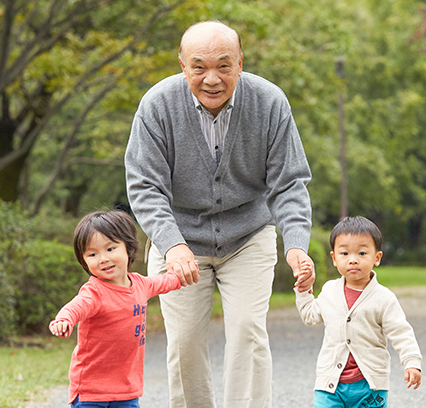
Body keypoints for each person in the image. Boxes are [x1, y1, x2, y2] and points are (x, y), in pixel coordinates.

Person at [124, 20, 315, 408]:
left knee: (248, 332)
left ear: (241, 63)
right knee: (184, 342)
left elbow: (289, 183)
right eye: (199, 66)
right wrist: (172, 245)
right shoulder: (157, 105)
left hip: (248, 235)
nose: (212, 78)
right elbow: (145, 186)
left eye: (224, 66)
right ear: (182, 64)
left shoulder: (270, 102)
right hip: (179, 239)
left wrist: (295, 244)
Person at [48, 210, 183, 408]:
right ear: (84, 260)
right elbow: (76, 306)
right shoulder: (94, 291)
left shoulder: (140, 284)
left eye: (110, 249)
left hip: (127, 389)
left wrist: (185, 271)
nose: (103, 259)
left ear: (128, 248)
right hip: (91, 392)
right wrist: (64, 320)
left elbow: (166, 281)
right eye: (92, 254)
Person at [295, 216, 422, 408]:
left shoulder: (383, 298)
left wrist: (412, 362)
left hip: (369, 386)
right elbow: (310, 317)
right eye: (345, 253)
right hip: (330, 384)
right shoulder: (329, 291)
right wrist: (304, 290)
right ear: (334, 259)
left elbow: (401, 332)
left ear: (377, 258)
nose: (353, 260)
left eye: (362, 253)